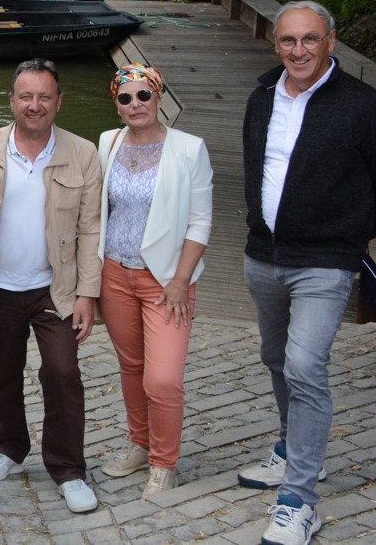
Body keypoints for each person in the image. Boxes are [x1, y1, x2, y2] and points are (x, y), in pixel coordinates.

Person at [236, 0, 376, 545]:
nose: (299, 50)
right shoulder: (261, 95)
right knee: (275, 357)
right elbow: (259, 168)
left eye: (310, 40)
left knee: (304, 365)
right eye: (289, 40)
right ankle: (294, 450)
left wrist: (350, 230)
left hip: (326, 260)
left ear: (331, 41)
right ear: (277, 44)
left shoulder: (363, 106)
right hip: (262, 255)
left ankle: (299, 501)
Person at [0, 58, 103, 514]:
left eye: (44, 97)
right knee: (2, 372)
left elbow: (91, 229)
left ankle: (67, 468)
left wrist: (87, 294)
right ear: (12, 100)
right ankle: (9, 448)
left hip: (54, 287)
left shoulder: (82, 155)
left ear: (59, 102)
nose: (35, 105)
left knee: (62, 372)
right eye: (26, 96)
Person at [95, 64, 212, 498]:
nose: (135, 105)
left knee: (163, 379)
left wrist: (181, 280)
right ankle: (140, 444)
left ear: (159, 96)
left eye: (143, 95)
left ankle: (165, 463)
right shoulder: (108, 142)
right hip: (114, 273)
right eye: (125, 98)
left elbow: (200, 221)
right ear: (117, 104)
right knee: (132, 367)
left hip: (167, 281)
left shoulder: (189, 148)